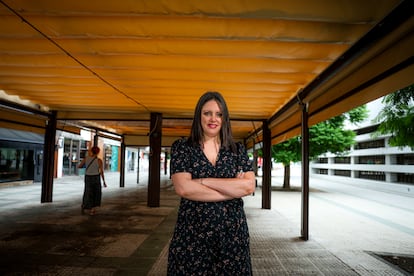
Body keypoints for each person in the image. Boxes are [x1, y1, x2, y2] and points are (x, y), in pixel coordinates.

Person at [167, 91, 256, 275]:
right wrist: (232, 188)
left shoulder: (237, 149)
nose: (213, 118)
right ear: (199, 116)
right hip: (191, 239)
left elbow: (248, 186)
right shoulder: (182, 148)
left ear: (225, 118)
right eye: (207, 113)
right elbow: (184, 188)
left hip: (233, 238)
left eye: (219, 114)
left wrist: (202, 181)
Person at [78, 146, 107, 215]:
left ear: (91, 151)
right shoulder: (99, 160)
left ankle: (84, 206)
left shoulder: (86, 158)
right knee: (96, 193)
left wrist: (86, 166)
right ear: (98, 152)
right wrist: (104, 181)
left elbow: (79, 166)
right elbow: (101, 171)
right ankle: (92, 210)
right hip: (96, 177)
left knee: (87, 192)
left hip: (88, 177)